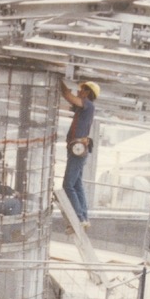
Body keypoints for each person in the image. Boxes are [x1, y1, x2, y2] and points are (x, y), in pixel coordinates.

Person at [60, 79, 100, 227]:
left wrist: (59, 80)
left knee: (68, 185)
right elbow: (70, 99)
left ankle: (78, 217)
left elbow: (67, 95)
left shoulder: (88, 104)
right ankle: (83, 217)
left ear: (88, 93)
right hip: (78, 149)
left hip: (78, 150)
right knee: (77, 184)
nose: (78, 91)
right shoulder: (84, 108)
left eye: (82, 89)